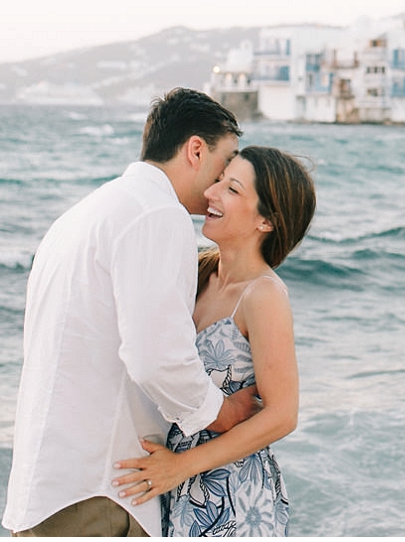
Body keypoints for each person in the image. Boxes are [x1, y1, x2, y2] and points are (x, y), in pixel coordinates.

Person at [3, 89, 259, 537]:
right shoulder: (157, 214)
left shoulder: (84, 214)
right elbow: (155, 356)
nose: (224, 182)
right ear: (196, 149)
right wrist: (224, 414)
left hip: (49, 481)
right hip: (100, 488)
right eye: (226, 161)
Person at [112, 145, 316, 537]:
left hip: (233, 495)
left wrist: (182, 466)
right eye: (219, 180)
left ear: (267, 221)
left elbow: (282, 415)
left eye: (233, 189)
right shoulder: (198, 274)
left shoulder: (263, 295)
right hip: (176, 486)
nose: (212, 192)